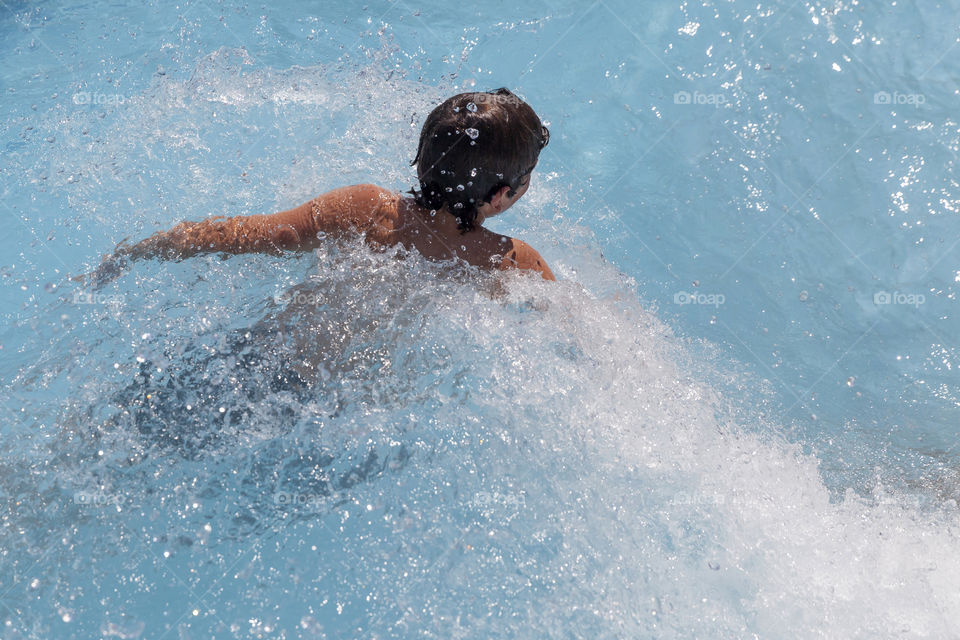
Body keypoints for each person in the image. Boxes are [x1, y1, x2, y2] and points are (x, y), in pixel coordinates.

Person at [83, 88, 555, 285]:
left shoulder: (366, 208)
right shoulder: (513, 263)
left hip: (276, 356)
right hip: (347, 414)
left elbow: (247, 235)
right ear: (500, 195)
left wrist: (138, 251)